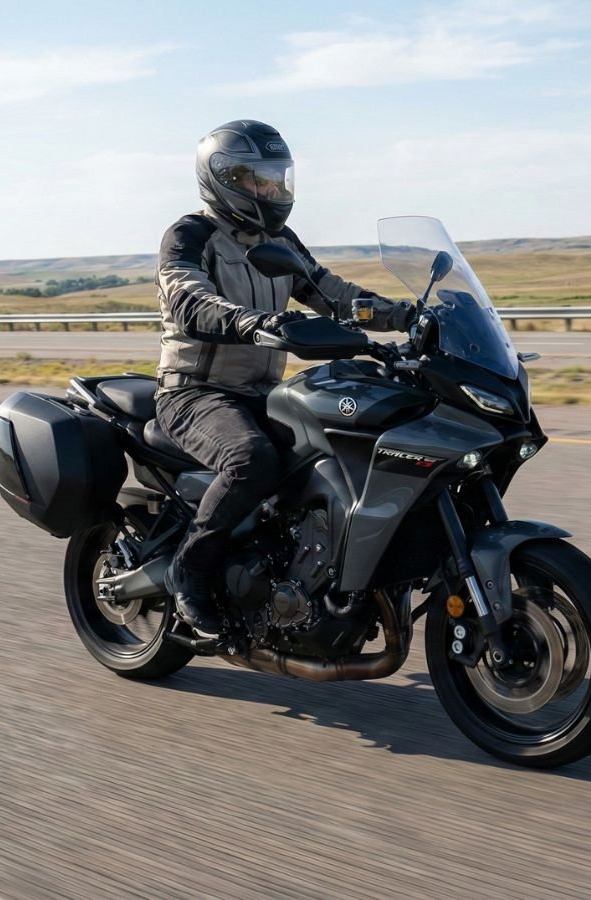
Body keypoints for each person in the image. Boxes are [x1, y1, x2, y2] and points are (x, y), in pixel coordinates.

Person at [155, 119, 414, 640]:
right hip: (195, 393)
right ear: (223, 179)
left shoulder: (280, 240)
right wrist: (251, 321)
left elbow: (333, 294)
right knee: (252, 459)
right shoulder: (191, 235)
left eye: (277, 179)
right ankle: (190, 572)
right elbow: (187, 298)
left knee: (338, 452)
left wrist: (407, 315)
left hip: (261, 393)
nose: (270, 191)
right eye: (257, 180)